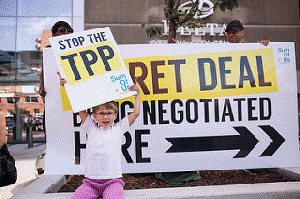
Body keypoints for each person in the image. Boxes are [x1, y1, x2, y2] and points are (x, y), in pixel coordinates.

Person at [60, 77, 141, 199]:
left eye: (109, 113)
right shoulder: (90, 127)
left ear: (115, 115)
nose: (105, 117)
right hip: (90, 183)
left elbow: (136, 113)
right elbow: (78, 106)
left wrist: (137, 93)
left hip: (113, 182)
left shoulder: (118, 128)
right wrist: (66, 87)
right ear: (94, 116)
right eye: (102, 114)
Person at [38, 21, 74, 138]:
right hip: (54, 100)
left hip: (71, 98)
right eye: (63, 30)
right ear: (54, 35)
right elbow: (44, 72)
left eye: (69, 30)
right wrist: (42, 87)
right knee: (53, 132)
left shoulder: (75, 49)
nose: (66, 32)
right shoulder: (48, 51)